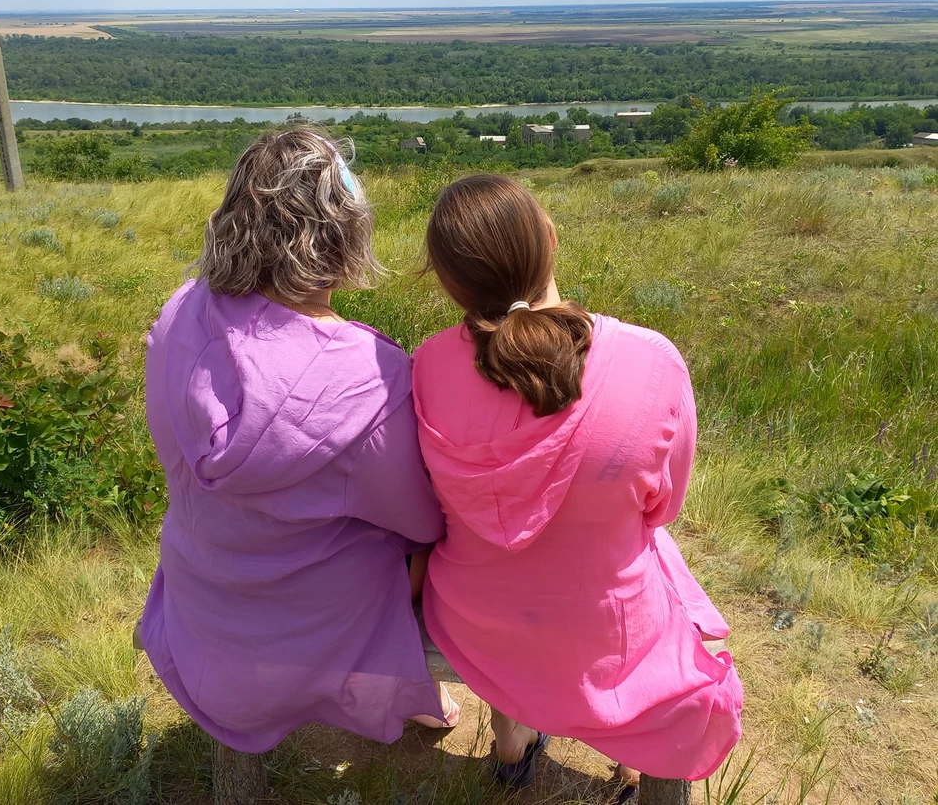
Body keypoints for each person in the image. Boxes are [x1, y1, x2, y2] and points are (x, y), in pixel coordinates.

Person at [411, 175, 743, 788]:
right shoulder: (652, 360)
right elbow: (662, 509)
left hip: (475, 620)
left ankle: (512, 744)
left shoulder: (428, 366)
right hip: (605, 632)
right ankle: (629, 751)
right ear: (551, 240)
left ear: (449, 283)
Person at [139, 128, 458, 756]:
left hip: (203, 603)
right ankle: (419, 692)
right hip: (309, 630)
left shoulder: (182, 313)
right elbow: (424, 521)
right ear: (342, 234)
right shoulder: (368, 379)